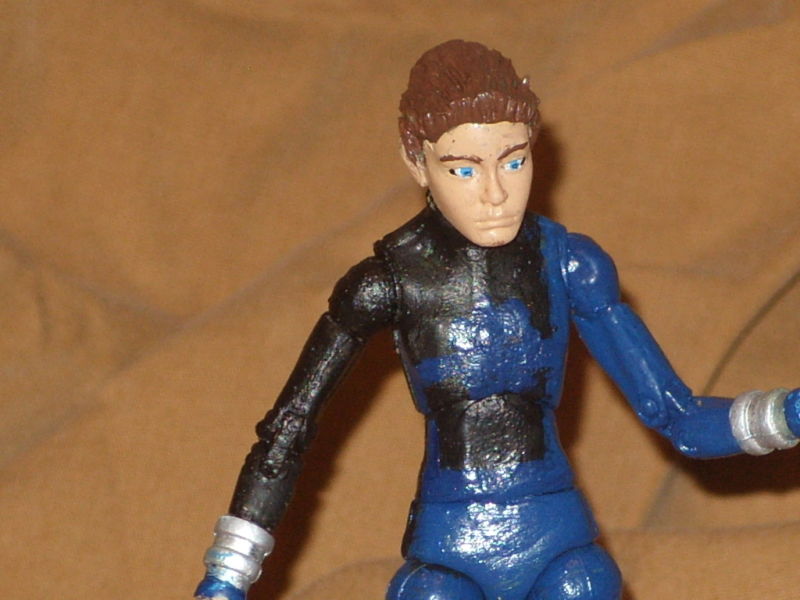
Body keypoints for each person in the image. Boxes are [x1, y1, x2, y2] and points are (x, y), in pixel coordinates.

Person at [194, 40, 800, 600]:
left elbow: (678, 415)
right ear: (417, 163)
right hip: (448, 549)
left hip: (559, 541)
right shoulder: (387, 283)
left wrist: (786, 414)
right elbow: (289, 430)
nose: (495, 194)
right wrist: (228, 574)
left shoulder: (569, 264)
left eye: (513, 162)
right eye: (463, 169)